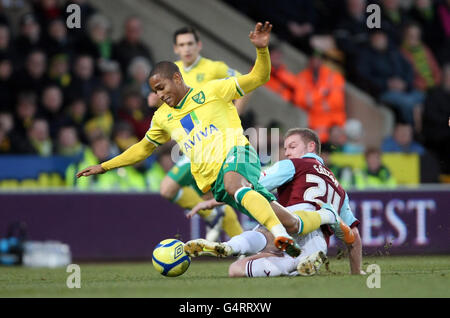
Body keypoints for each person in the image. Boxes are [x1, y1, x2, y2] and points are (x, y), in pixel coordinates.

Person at [76, 22, 354, 257]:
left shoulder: (213, 89)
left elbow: (259, 77)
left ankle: (280, 236)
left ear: (176, 78)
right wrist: (105, 166)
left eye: (161, 87)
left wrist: (261, 49)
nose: (159, 95)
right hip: (213, 181)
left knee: (237, 186)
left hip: (238, 155)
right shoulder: (162, 118)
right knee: (289, 219)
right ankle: (325, 217)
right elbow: (143, 148)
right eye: (155, 91)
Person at [184, 128, 362, 277]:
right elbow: (354, 237)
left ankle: (231, 246)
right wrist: (357, 272)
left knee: (261, 232)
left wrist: (214, 201)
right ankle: (298, 263)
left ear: (311, 146)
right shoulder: (339, 189)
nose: (287, 152)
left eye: (292, 146)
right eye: (285, 149)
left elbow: (251, 185)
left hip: (291, 218)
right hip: (317, 239)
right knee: (239, 268)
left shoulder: (293, 164)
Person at [153, 26, 250, 241]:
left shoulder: (214, 68)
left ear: (199, 45)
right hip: (191, 144)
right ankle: (244, 243)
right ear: (175, 49)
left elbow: (245, 83)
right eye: (182, 45)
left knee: (172, 188)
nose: (186, 49)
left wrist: (235, 113)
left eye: (190, 44)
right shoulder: (172, 72)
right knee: (209, 196)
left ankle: (247, 241)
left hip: (213, 143)